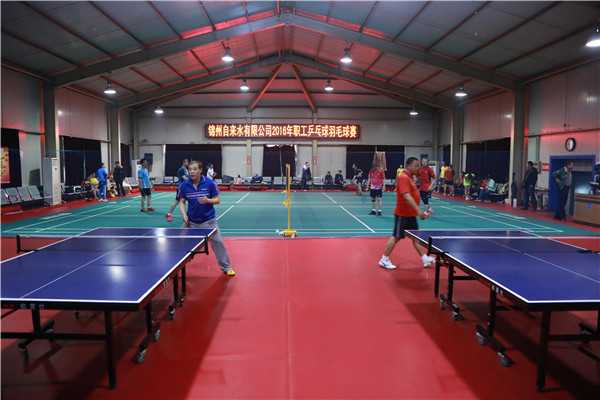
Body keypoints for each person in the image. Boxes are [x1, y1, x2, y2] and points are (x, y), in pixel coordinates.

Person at [178, 160, 236, 277]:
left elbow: (217, 200)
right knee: (178, 243)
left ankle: (226, 267)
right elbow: (182, 201)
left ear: (200, 170)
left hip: (209, 221)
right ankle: (175, 268)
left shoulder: (209, 183)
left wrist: (207, 200)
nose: (192, 172)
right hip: (191, 222)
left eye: (195, 169)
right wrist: (184, 215)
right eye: (190, 169)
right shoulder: (184, 185)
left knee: (218, 243)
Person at [378, 157, 433, 270]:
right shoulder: (403, 177)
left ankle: (424, 258)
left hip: (410, 215)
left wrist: (420, 213)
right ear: (409, 166)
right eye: (416, 166)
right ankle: (384, 259)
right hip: (402, 215)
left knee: (415, 237)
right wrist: (419, 211)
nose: (418, 168)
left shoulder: (410, 178)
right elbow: (406, 196)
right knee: (396, 237)